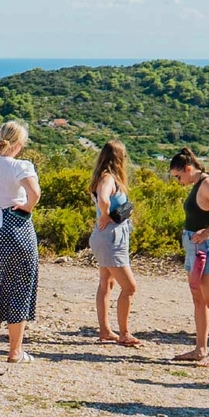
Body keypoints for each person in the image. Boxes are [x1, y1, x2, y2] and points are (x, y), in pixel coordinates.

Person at [0, 121, 41, 363]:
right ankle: (15, 351)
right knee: (20, 286)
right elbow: (34, 194)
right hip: (18, 226)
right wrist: (26, 208)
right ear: (19, 145)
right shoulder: (21, 166)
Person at [169, 148, 209, 367]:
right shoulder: (197, 184)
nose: (178, 181)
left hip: (206, 247)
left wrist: (208, 231)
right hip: (194, 247)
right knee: (198, 300)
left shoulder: (207, 183)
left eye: (178, 176)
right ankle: (199, 349)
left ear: (188, 169)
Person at [91, 140, 139, 347]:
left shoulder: (103, 177)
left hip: (106, 237)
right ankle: (124, 333)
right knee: (129, 287)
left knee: (106, 283)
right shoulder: (109, 178)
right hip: (111, 238)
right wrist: (105, 215)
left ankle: (105, 330)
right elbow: (103, 198)